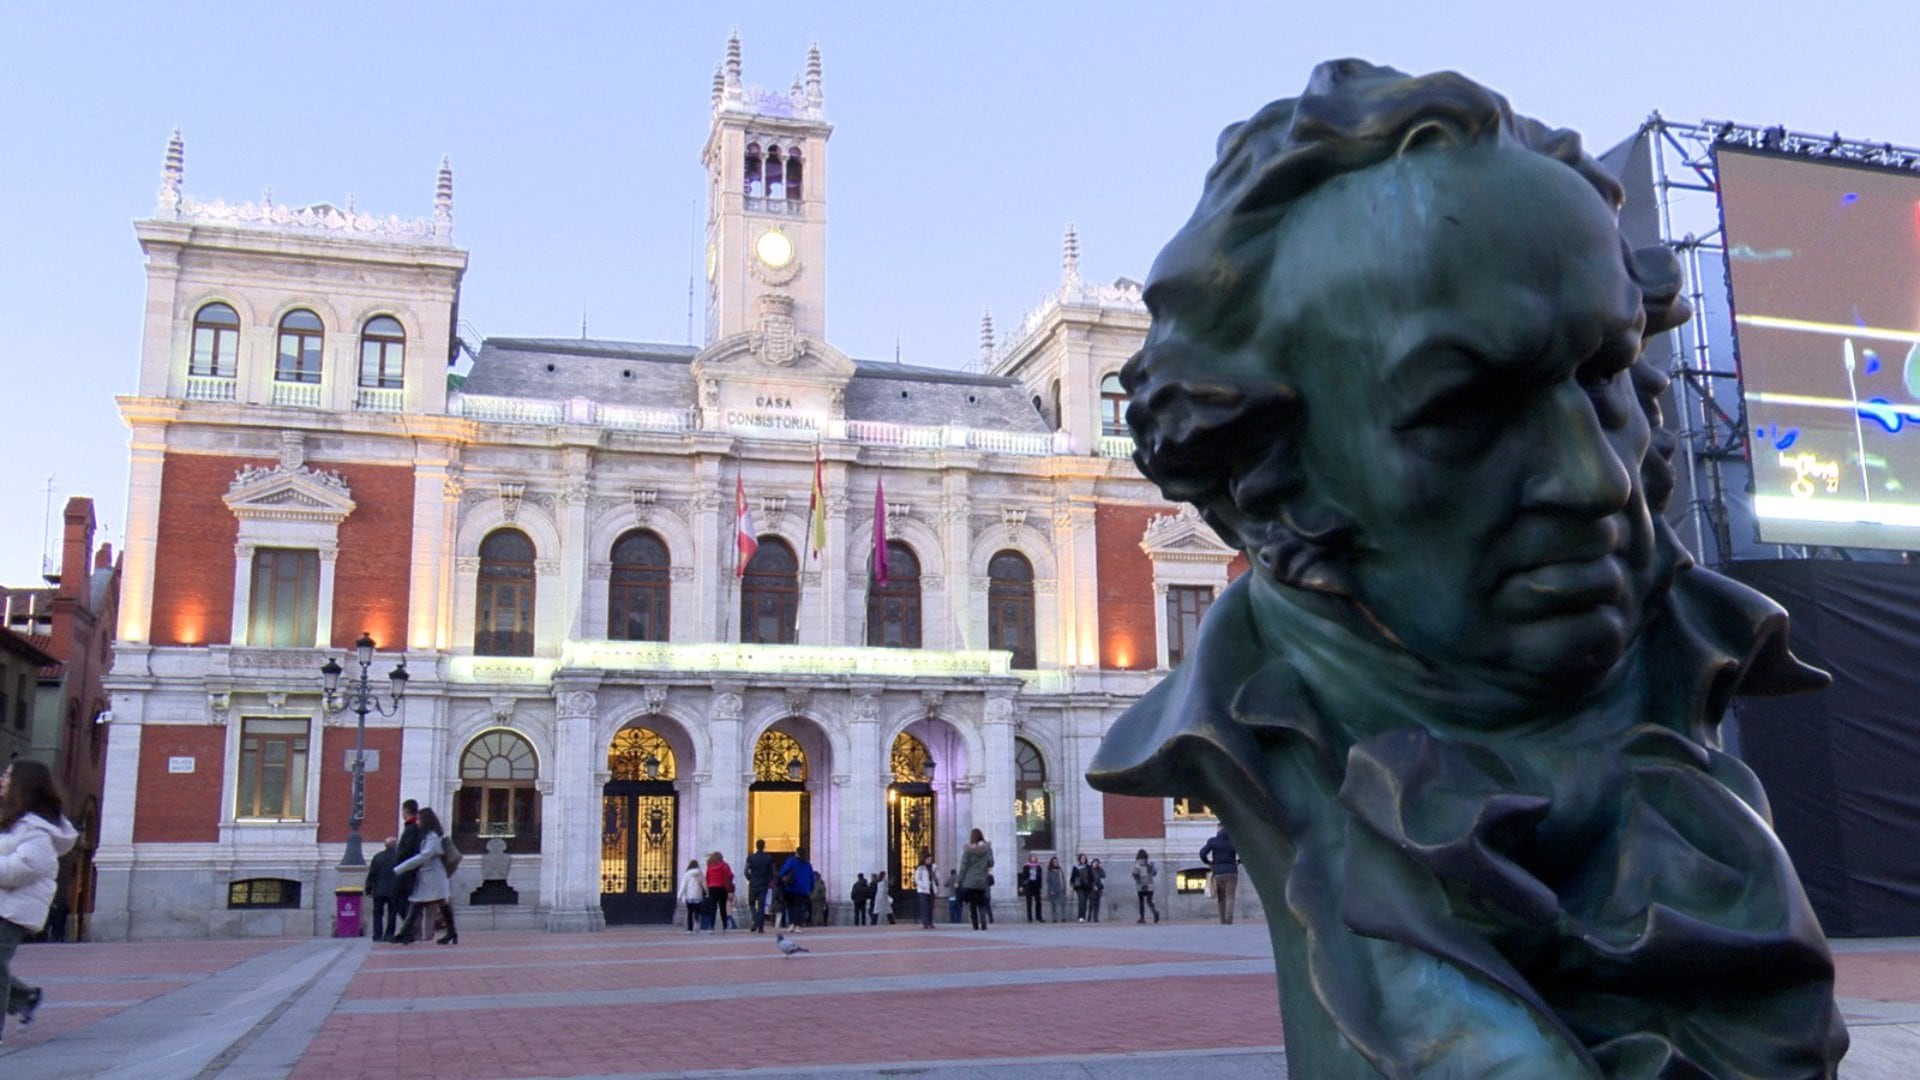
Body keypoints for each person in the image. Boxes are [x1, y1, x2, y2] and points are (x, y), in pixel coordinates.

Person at [1086, 60, 1846, 1075]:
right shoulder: (1272, 744)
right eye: (1466, 409)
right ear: (1266, 479)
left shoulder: (1692, 669)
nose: (1597, 480)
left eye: (1604, 374)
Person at [0, 760, 76, 1042]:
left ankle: (22, 999)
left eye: (8, 776)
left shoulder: (36, 829)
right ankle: (24, 997)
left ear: (23, 784)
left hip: (12, 909)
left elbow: (26, 868)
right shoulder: (12, 819)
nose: (3, 780)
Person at [390, 807, 454, 945]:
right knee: (431, 904)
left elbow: (424, 857)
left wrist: (400, 868)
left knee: (419, 903)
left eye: (419, 819)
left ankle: (404, 932)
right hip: (430, 876)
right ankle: (451, 932)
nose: (417, 822)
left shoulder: (432, 837)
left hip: (432, 877)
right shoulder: (430, 836)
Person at [389, 799, 423, 944]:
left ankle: (408, 930)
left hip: (406, 870)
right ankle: (407, 931)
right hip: (407, 869)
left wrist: (398, 866)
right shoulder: (414, 827)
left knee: (399, 899)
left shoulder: (412, 828)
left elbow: (406, 851)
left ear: (405, 811)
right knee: (404, 901)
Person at [956, 828, 994, 931]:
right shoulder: (987, 848)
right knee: (982, 903)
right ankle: (984, 923)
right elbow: (991, 863)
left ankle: (975, 925)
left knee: (972, 904)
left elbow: (964, 865)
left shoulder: (968, 850)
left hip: (970, 880)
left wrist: (959, 880)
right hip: (982, 880)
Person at [1198, 827, 1237, 925]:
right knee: (1230, 897)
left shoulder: (1213, 841)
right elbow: (1244, 853)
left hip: (1218, 872)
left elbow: (1202, 853)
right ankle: (1229, 921)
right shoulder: (1233, 841)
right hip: (1232, 872)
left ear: (1218, 831)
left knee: (1221, 897)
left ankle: (1222, 920)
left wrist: (1208, 862)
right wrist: (1238, 862)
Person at [365, 836, 400, 941]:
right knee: (392, 913)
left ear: (385, 845)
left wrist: (368, 888)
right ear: (396, 845)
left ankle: (377, 935)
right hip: (394, 890)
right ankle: (389, 934)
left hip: (379, 890)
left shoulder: (377, 857)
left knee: (377, 913)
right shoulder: (399, 857)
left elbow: (372, 874)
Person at [778, 847, 814, 929]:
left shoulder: (792, 861)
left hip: (792, 887)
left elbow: (783, 870)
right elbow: (811, 877)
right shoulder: (808, 864)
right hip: (803, 889)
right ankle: (798, 925)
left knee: (791, 907)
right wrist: (811, 888)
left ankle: (791, 924)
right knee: (800, 907)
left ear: (797, 853)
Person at [744, 840, 775, 934]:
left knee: (752, 903)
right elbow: (772, 871)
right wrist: (768, 880)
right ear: (764, 846)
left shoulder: (751, 857)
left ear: (756, 846)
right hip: (763, 884)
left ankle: (755, 919)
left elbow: (746, 870)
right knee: (761, 905)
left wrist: (750, 878)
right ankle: (760, 927)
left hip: (754, 883)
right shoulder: (768, 858)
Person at [704, 851, 734, 932]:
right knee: (722, 907)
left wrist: (708, 886)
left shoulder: (710, 866)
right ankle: (724, 925)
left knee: (712, 907)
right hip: (722, 887)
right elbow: (731, 875)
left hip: (712, 887)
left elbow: (707, 877)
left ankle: (712, 925)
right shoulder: (724, 865)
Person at [677, 859, 707, 932]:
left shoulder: (687, 874)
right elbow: (704, 884)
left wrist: (679, 895)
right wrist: (707, 892)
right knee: (697, 911)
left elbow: (683, 886)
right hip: (698, 895)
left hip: (689, 896)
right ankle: (696, 924)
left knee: (690, 913)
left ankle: (689, 928)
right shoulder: (700, 874)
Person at [1131, 849, 1160, 924]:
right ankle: (1155, 912)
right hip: (1150, 885)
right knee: (1149, 901)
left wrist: (1135, 877)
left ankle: (1142, 918)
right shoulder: (1150, 864)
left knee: (1141, 902)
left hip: (1141, 885)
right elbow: (1154, 873)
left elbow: (1135, 874)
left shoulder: (1138, 864)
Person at [912, 854, 937, 929]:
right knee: (924, 906)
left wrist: (935, 876)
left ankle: (930, 922)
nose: (929, 861)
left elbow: (937, 876)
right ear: (924, 860)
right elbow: (917, 878)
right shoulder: (920, 868)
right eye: (928, 859)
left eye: (930, 859)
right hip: (923, 890)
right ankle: (925, 922)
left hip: (931, 889)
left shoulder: (934, 867)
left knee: (930, 906)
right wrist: (922, 885)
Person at [1019, 854, 1045, 922]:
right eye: (1032, 857)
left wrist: (1040, 885)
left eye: (1035, 857)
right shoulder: (1026, 866)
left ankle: (1039, 917)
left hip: (1036, 885)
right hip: (1029, 885)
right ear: (1030, 858)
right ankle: (1029, 917)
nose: (1034, 858)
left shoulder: (1038, 867)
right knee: (1029, 902)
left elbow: (1040, 877)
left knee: (1038, 902)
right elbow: (1023, 876)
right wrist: (1021, 886)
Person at [1045, 856, 1069, 924]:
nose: (1056, 863)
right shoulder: (1050, 871)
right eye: (1054, 862)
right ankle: (1054, 918)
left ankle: (1063, 917)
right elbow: (1048, 881)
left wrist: (1064, 887)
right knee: (1054, 905)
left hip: (1061, 889)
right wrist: (1051, 890)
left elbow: (1063, 879)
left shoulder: (1060, 870)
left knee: (1063, 903)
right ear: (1052, 863)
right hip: (1053, 889)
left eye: (1057, 862)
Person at [1070, 854, 1092, 922]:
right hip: (1079, 886)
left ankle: (1083, 916)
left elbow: (1091, 876)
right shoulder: (1076, 867)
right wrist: (1072, 883)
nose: (1083, 859)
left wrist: (1091, 884)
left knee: (1085, 902)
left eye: (1084, 858)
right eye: (1082, 858)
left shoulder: (1088, 867)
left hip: (1087, 886)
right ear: (1079, 859)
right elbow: (1073, 876)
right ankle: (1080, 917)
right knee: (1081, 901)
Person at [1085, 858, 1105, 923]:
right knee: (1091, 904)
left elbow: (1103, 875)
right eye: (1095, 863)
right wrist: (1093, 886)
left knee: (1097, 904)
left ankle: (1095, 917)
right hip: (1091, 889)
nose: (1095, 865)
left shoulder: (1099, 870)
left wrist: (1101, 868)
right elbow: (1088, 879)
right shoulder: (1089, 870)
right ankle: (1089, 917)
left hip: (1099, 888)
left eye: (1097, 864)